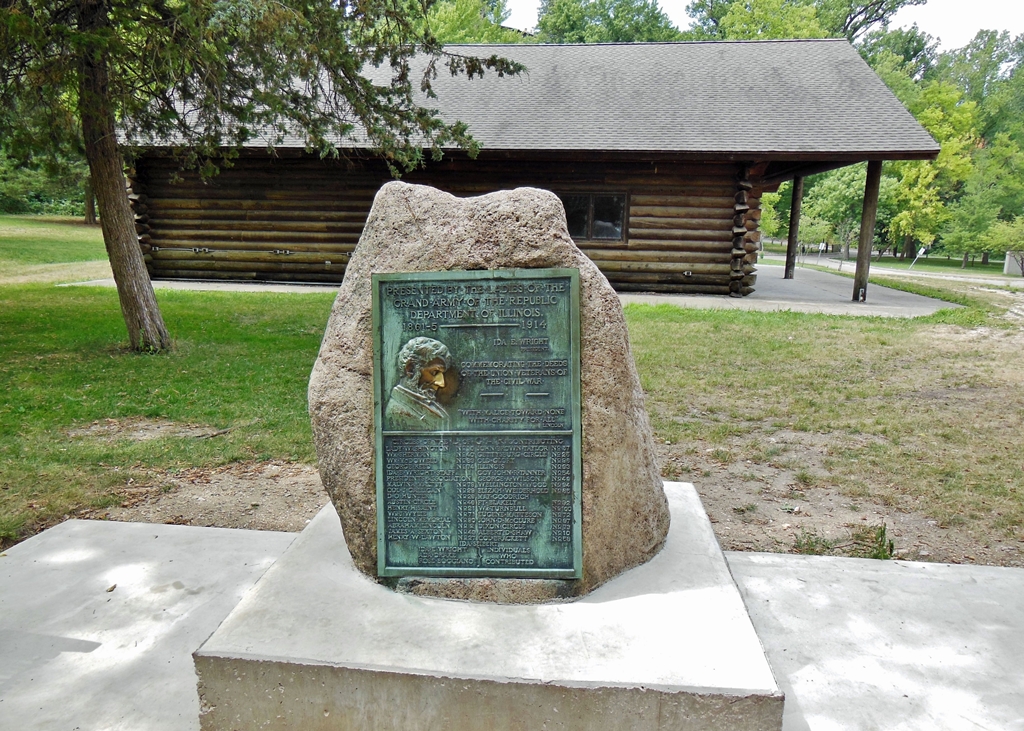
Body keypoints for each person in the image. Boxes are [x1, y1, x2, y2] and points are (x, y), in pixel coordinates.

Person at [384, 337, 453, 431]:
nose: (442, 384)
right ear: (410, 369)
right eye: (435, 373)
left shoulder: (431, 406)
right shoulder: (397, 412)